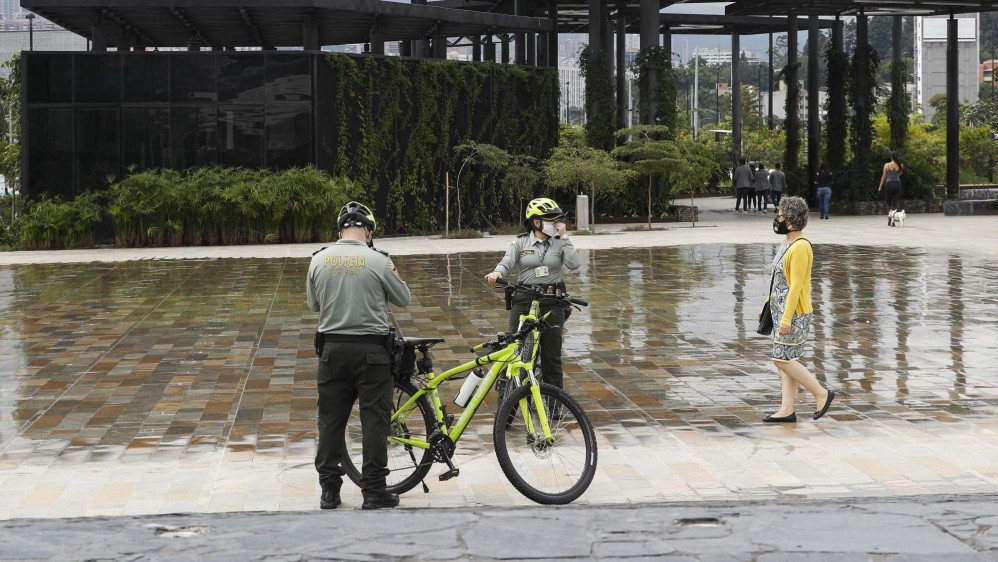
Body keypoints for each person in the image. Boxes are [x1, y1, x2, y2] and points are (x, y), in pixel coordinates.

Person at [306, 201, 411, 510]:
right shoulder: (379, 260)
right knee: (375, 422)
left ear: (340, 231)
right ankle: (374, 491)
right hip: (372, 353)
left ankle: (330, 492)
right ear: (369, 231)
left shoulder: (318, 260)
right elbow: (403, 298)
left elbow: (314, 305)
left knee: (330, 421)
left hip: (332, 351)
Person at [485, 198, 581, 392]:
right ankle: (507, 401)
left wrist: (564, 237)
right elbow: (507, 262)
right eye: (551, 220)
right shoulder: (520, 242)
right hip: (524, 298)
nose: (557, 224)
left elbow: (574, 264)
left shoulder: (560, 243)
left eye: (558, 221)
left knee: (551, 355)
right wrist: (497, 273)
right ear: (537, 222)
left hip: (552, 300)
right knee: (514, 347)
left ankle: (555, 404)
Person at [760, 196, 834, 423]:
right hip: (781, 311)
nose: (777, 218)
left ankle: (821, 393)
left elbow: (796, 286)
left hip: (794, 314)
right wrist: (766, 305)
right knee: (786, 359)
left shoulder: (801, 246)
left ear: (790, 219)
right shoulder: (788, 243)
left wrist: (786, 319)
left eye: (780, 215)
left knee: (781, 359)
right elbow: (778, 279)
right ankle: (787, 409)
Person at [878, 151, 904, 225]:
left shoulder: (887, 165)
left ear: (891, 157)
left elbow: (884, 177)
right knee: (894, 202)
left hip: (889, 184)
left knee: (888, 202)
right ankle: (894, 219)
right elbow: (899, 175)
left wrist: (880, 186)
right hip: (898, 184)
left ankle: (890, 218)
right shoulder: (901, 165)